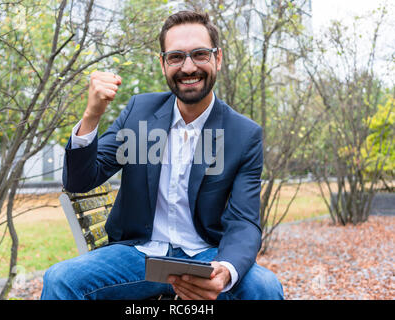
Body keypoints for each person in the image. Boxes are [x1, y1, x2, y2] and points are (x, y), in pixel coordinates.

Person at [41, 10, 283, 300]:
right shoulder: (139, 113)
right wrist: (92, 116)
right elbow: (80, 181)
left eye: (200, 54)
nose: (189, 67)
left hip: (207, 256)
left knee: (265, 289)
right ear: (163, 63)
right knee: (59, 280)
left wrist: (227, 270)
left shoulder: (243, 134)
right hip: (140, 256)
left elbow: (244, 221)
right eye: (176, 57)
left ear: (217, 58)